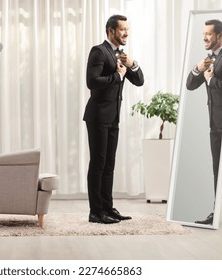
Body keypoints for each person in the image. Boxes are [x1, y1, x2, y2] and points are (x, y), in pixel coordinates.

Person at [83, 15, 144, 224]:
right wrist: (117, 77)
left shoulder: (121, 55)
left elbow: (139, 81)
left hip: (113, 118)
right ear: (111, 31)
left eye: (128, 29)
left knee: (109, 164)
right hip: (98, 116)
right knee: (98, 163)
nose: (126, 33)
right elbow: (91, 82)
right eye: (122, 29)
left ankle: (107, 208)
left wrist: (132, 63)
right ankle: (95, 212)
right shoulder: (99, 51)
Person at [186, 19, 222, 225]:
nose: (204, 37)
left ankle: (217, 211)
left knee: (220, 167)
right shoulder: (208, 59)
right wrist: (197, 67)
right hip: (214, 123)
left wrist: (212, 80)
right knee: (215, 167)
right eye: (203, 33)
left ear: (220, 36)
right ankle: (215, 210)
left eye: (208, 34)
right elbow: (189, 85)